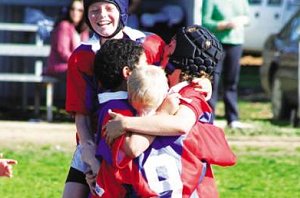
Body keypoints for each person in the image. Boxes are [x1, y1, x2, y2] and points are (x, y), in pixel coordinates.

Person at [98, 25, 236, 197]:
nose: (165, 46)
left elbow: (181, 124)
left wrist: (125, 123)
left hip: (191, 190)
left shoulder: (191, 92)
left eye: (172, 43)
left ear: (180, 55)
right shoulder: (160, 86)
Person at [63, 0, 165, 197]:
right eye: (94, 10)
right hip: (94, 141)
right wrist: (90, 155)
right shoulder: (81, 56)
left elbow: (168, 86)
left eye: (109, 8)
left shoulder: (150, 44)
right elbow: (81, 115)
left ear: (122, 10)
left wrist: (203, 81)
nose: (101, 15)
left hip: (142, 138)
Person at [202, 0, 250, 128]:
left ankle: (233, 118)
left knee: (231, 81)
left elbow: (247, 18)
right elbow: (206, 22)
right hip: (217, 44)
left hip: (236, 43)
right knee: (213, 81)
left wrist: (242, 21)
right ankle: (210, 117)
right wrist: (225, 25)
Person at [43, 0, 89, 106]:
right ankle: (77, 108)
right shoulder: (64, 26)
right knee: (81, 73)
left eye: (79, 10)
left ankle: (84, 108)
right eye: (72, 9)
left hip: (73, 65)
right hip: (58, 66)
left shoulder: (83, 29)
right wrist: (79, 63)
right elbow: (62, 51)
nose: (75, 12)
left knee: (89, 72)